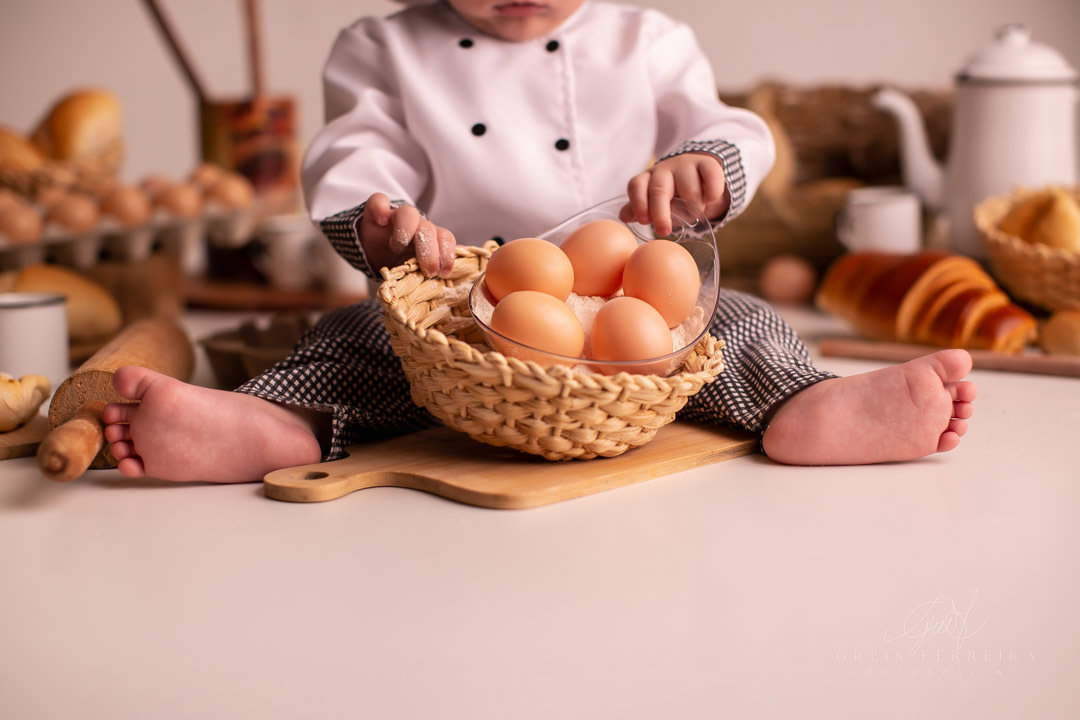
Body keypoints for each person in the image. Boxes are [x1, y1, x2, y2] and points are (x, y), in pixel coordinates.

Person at [101, 0, 976, 482]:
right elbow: (351, 155)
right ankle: (274, 423)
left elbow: (730, 126)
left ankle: (806, 406)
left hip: (628, 309)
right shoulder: (381, 48)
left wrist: (705, 163)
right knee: (351, 341)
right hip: (451, 317)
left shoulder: (647, 40)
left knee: (738, 324)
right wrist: (381, 222)